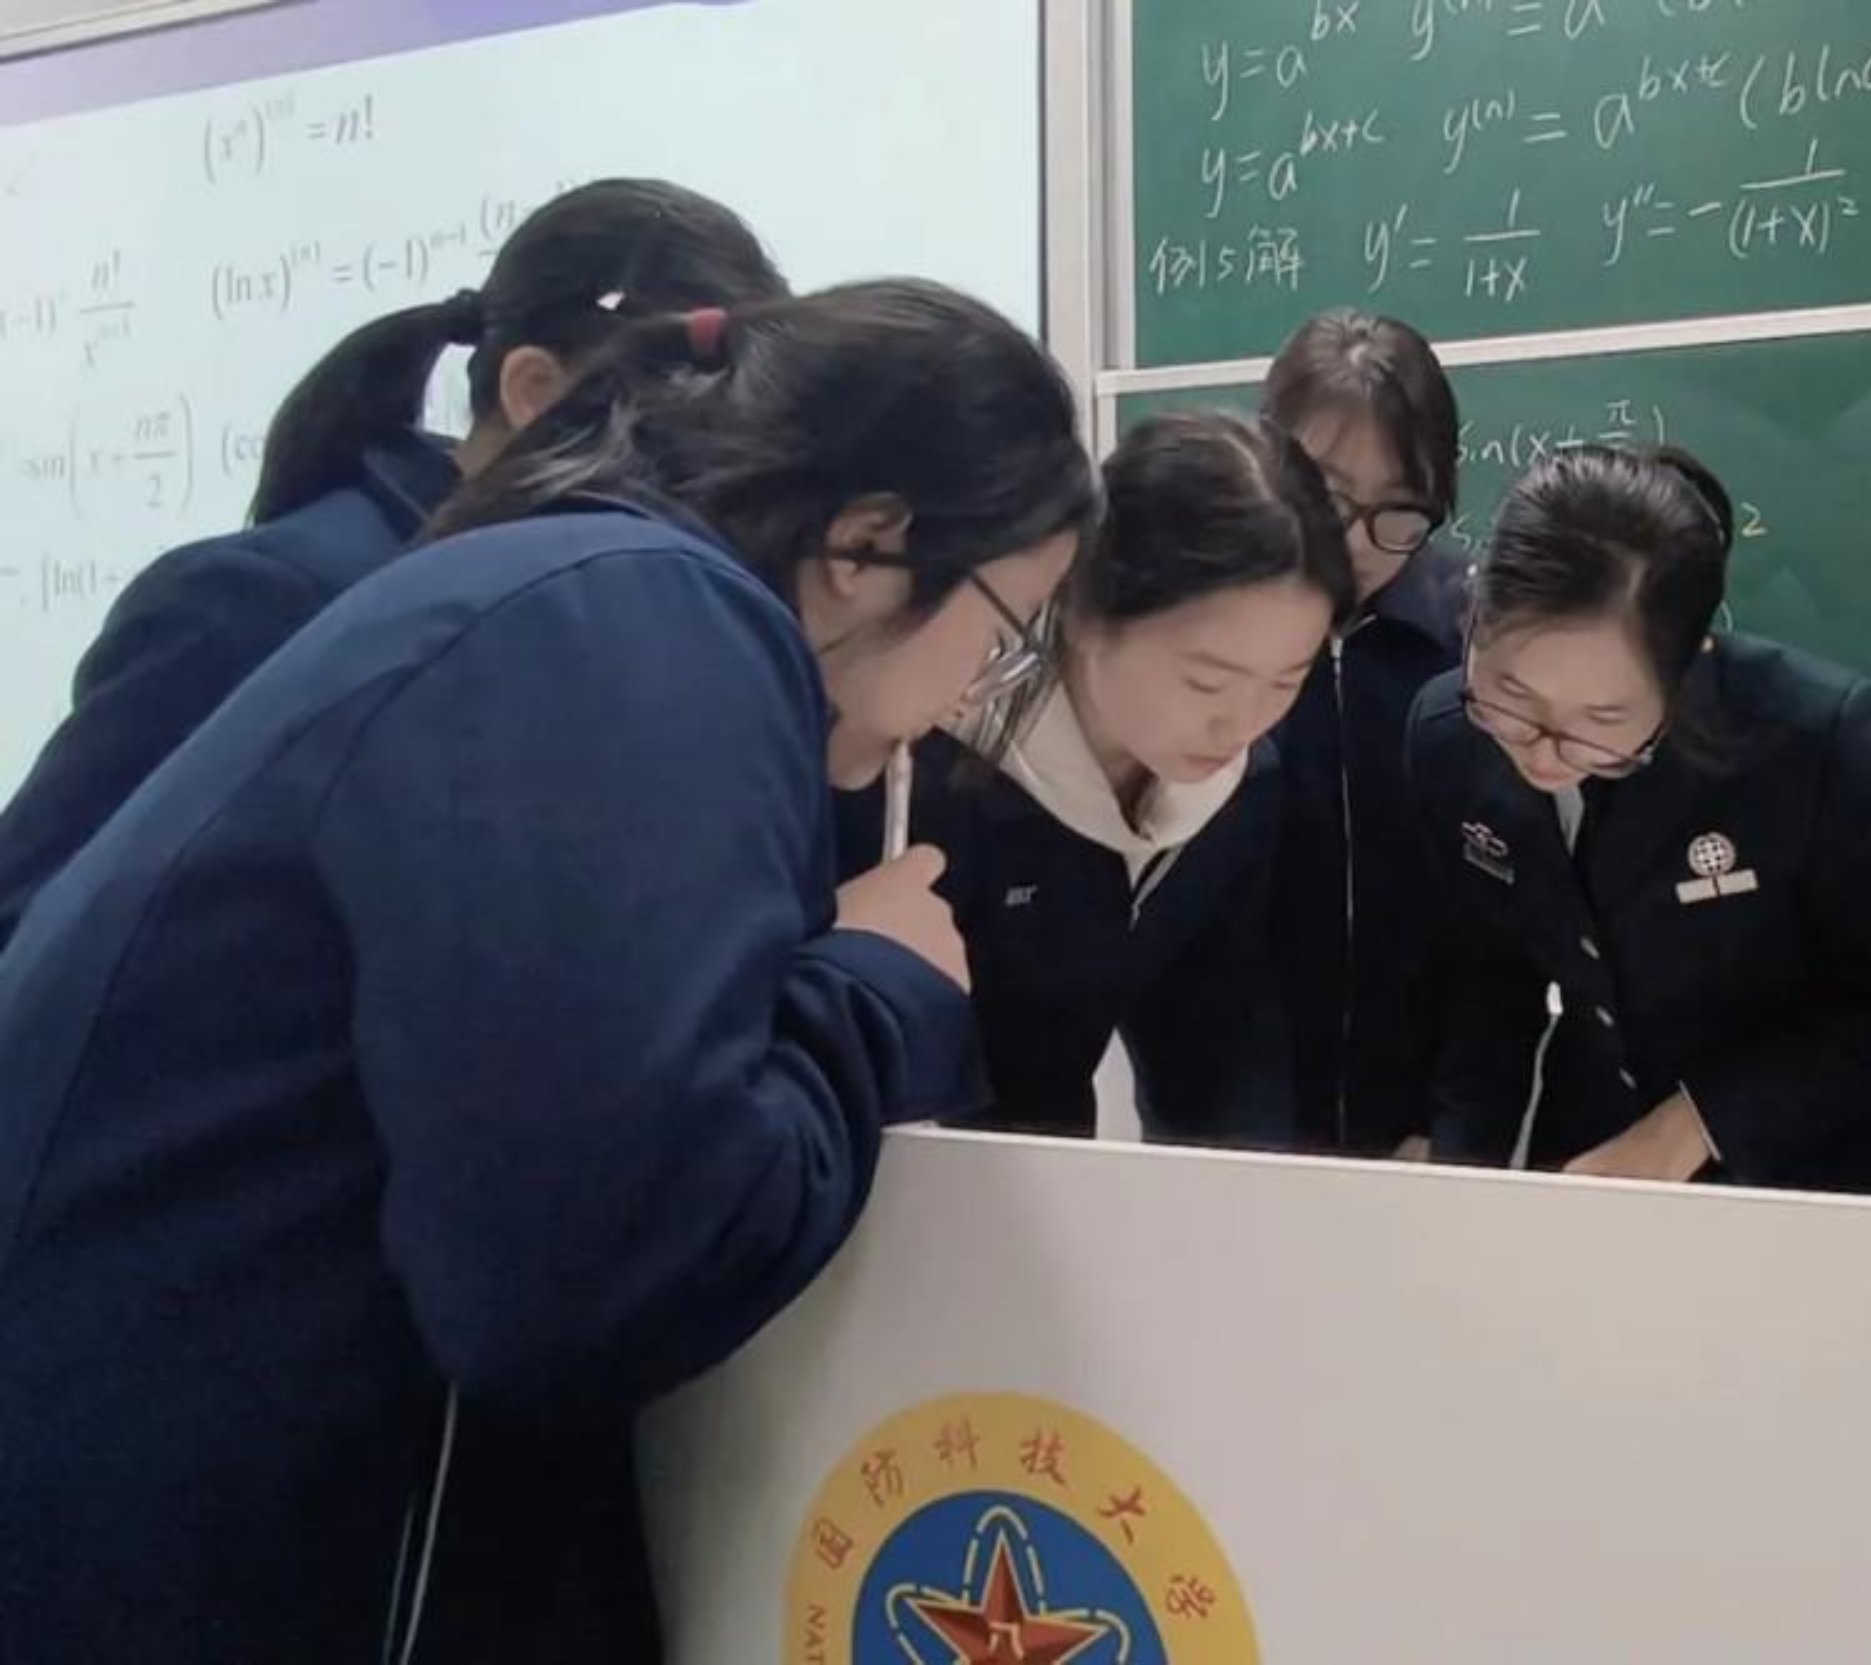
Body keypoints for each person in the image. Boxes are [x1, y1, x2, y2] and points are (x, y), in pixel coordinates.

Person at [0, 279, 1095, 1663]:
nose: (968, 699)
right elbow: (597, 1272)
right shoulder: (643, 620)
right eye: (1003, 635)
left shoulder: (570, 593)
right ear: (867, 544)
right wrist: (878, 985)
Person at [0, 177, 790, 949]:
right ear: (535, 390)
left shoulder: (617, 624)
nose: (707, 491)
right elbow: (33, 926)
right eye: (687, 437)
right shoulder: (256, 600)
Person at [1409, 444, 1871, 1194]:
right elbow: (1486, 982)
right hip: (1590, 1160)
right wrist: (1458, 1180)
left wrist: (1693, 1125)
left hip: (1811, 1174)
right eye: (1512, 696)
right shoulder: (1449, 736)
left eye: (1601, 721)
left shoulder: (1815, 741)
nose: (1544, 754)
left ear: (1687, 668)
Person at [842, 410, 1353, 1142]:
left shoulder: (1239, 789)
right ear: (1083, 609)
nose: (1241, 724)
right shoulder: (931, 769)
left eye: (1285, 682)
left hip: (1071, 1171)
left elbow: (1218, 1043)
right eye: (1207, 682)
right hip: (910, 1169)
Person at [1258, 309, 1470, 1155]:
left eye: (1400, 510)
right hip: (1231, 1126)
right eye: (1328, 495)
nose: (1356, 542)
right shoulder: (1208, 632)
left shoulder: (1472, 641)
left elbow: (1494, 927)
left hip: (1428, 1129)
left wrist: (1451, 1126)